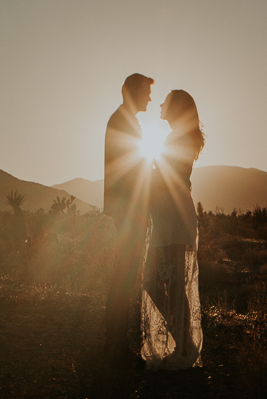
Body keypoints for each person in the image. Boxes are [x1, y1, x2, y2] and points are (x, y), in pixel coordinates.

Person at [141, 89, 204, 370]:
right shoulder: (177, 137)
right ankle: (183, 343)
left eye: (166, 101)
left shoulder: (178, 138)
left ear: (176, 107)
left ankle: (184, 347)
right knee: (163, 282)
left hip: (173, 218)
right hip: (169, 217)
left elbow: (170, 178)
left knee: (165, 282)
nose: (161, 104)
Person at [104, 72, 154, 368]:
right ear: (133, 91)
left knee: (123, 276)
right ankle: (115, 348)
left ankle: (115, 343)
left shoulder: (122, 120)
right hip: (129, 209)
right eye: (146, 91)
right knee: (123, 277)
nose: (149, 97)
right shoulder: (123, 122)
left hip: (126, 208)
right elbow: (130, 171)